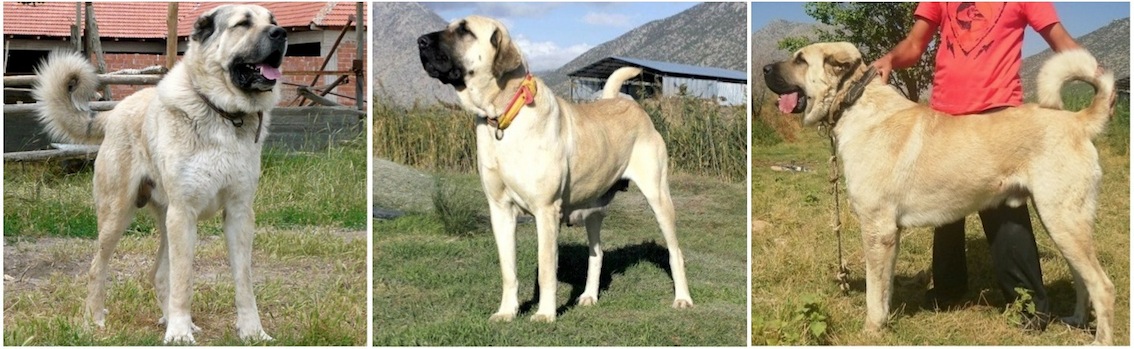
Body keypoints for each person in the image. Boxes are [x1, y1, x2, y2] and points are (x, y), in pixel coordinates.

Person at [871, 2, 1082, 332]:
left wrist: (1095, 73)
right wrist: (891, 59)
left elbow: (1060, 41)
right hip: (944, 115)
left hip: (997, 117)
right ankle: (949, 291)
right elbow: (914, 44)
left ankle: (1030, 306)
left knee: (1004, 211)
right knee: (943, 208)